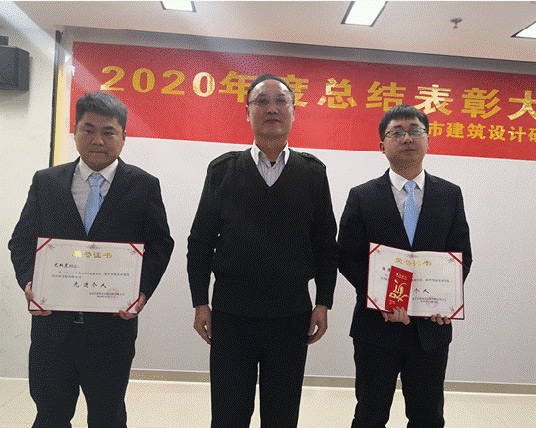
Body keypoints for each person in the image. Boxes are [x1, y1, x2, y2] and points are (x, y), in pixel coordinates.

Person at [9, 92, 174, 428]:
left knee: (107, 417)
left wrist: (141, 292)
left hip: (112, 331)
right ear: (75, 131)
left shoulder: (144, 185)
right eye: (89, 129)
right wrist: (30, 282)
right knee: (50, 416)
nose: (98, 140)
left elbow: (160, 245)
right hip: (52, 329)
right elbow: (22, 241)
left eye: (109, 132)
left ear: (123, 137)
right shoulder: (46, 182)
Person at [187, 74, 338, 428]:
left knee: (282, 415)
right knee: (228, 414)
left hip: (291, 314)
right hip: (232, 312)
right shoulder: (222, 170)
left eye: (281, 101)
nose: (272, 109)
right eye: (262, 101)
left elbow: (325, 243)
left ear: (293, 112)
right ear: (247, 112)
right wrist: (200, 301)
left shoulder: (312, 173)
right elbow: (201, 240)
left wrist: (323, 302)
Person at [338, 104, 472, 428]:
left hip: (431, 328)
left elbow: (461, 255)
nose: (407, 138)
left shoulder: (450, 194)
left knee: (428, 416)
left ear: (428, 140)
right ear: (381, 145)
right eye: (397, 132)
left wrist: (444, 301)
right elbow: (347, 256)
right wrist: (383, 299)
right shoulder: (362, 196)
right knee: (370, 414)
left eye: (415, 131)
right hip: (376, 327)